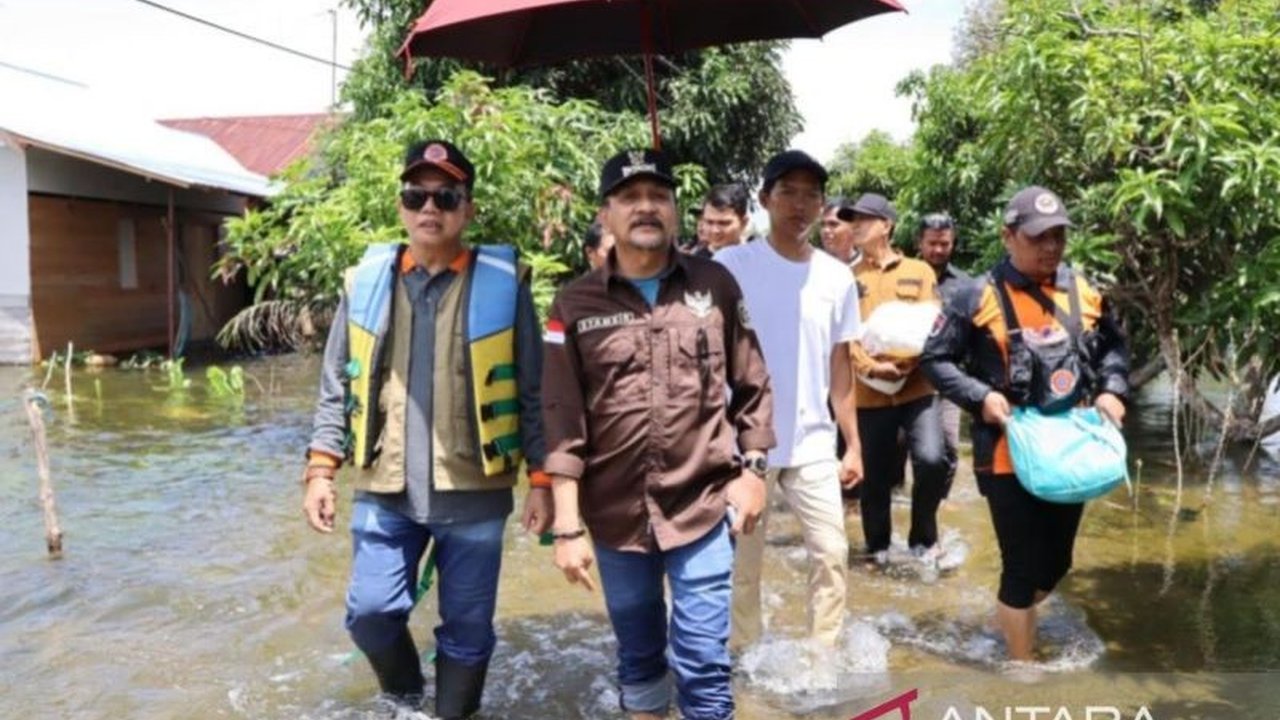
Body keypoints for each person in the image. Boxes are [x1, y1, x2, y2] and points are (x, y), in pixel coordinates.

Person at [302, 139, 553, 718]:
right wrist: (320, 468)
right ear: (401, 206)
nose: (429, 208)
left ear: (467, 209)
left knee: (467, 630)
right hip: (385, 489)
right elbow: (334, 382)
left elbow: (534, 391)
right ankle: (407, 698)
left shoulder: (505, 283)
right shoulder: (366, 281)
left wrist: (542, 480)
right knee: (370, 613)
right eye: (417, 195)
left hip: (476, 494)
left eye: (446, 196)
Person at [542, 149, 775, 720]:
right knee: (640, 656)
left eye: (658, 196)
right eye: (629, 197)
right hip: (616, 514)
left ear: (674, 210)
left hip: (700, 502)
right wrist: (567, 526)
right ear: (606, 214)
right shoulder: (572, 306)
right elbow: (561, 419)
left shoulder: (715, 284)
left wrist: (754, 474)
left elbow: (753, 384)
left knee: (702, 662)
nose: (645, 207)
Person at [921, 185, 1128, 661]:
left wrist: (1112, 390)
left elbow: (1115, 346)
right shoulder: (975, 294)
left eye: (1058, 236)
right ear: (1008, 237)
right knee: (1020, 565)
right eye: (1038, 237)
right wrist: (982, 396)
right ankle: (1020, 665)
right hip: (1005, 449)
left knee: (1055, 564)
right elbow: (934, 358)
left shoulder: (1083, 289)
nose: (1051, 247)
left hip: (1069, 444)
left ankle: (1007, 621)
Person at [715, 150, 863, 651]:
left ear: (822, 205)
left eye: (811, 195)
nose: (800, 205)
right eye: (788, 193)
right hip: (744, 448)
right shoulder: (730, 266)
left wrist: (854, 444)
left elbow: (840, 368)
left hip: (814, 442)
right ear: (764, 199)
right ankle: (744, 655)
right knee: (742, 566)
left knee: (832, 552)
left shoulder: (837, 277)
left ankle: (822, 656)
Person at [844, 193, 950, 568]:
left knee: (933, 459)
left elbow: (933, 325)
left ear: (886, 225)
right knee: (874, 479)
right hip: (869, 395)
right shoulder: (847, 278)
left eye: (863, 220)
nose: (854, 226)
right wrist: (871, 368)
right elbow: (844, 338)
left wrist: (908, 363)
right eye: (851, 220)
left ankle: (924, 538)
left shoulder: (920, 272)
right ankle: (878, 548)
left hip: (917, 387)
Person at [916, 212, 971, 496]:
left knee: (949, 444)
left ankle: (939, 500)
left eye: (944, 244)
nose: (938, 250)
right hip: (909, 378)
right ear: (920, 243)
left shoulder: (965, 284)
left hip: (950, 378)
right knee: (903, 444)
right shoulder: (906, 277)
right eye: (932, 243)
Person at [690, 184, 751, 258]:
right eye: (709, 222)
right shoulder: (695, 264)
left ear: (744, 223)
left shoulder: (760, 259)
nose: (715, 231)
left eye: (723, 223)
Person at [820, 198, 862, 268]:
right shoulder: (813, 268)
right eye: (823, 224)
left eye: (833, 224)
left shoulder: (869, 270)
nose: (825, 230)